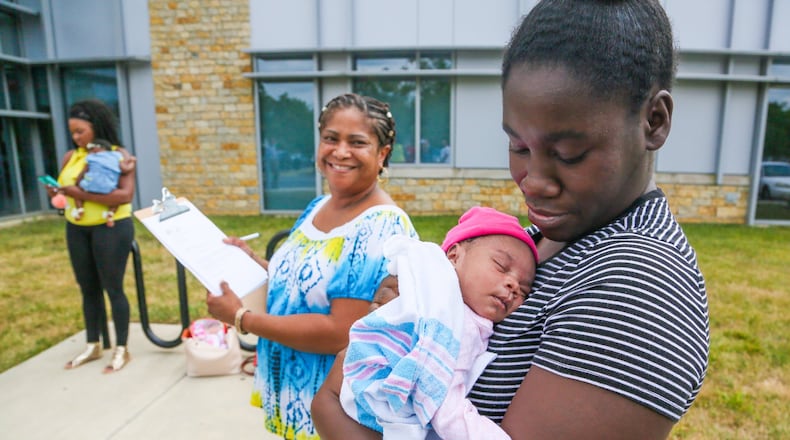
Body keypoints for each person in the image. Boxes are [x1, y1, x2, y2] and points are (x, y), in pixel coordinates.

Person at [312, 1, 710, 439]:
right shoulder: (541, 238)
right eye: (519, 146)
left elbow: (336, 397)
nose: (534, 182)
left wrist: (332, 402)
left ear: (654, 120)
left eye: (568, 153)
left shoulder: (640, 283)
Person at [206, 93, 419, 439]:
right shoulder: (318, 207)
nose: (340, 151)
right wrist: (255, 263)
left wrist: (243, 319)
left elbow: (340, 331)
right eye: (331, 138)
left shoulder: (381, 225)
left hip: (334, 413)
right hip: (294, 398)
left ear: (382, 154)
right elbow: (302, 284)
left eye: (357, 142)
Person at [337, 206, 538, 439]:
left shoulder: (438, 298)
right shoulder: (453, 319)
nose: (513, 285)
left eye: (524, 289)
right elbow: (442, 404)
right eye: (501, 266)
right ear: (454, 255)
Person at [46, 99, 137, 373]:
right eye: (72, 132)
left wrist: (78, 193)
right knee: (88, 288)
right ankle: (93, 344)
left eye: (80, 131)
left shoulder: (118, 154)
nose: (75, 138)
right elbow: (66, 187)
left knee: (113, 287)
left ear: (96, 128)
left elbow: (125, 195)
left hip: (111, 228)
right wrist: (57, 192)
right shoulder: (70, 156)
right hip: (77, 227)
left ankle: (121, 348)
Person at [71, 138, 136, 227]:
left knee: (76, 194)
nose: (90, 150)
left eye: (91, 148)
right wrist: (132, 162)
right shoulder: (116, 156)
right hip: (108, 186)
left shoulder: (91, 157)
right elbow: (125, 169)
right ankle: (111, 213)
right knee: (116, 200)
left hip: (89, 184)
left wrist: (77, 183)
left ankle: (80, 209)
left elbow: (84, 171)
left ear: (98, 148)